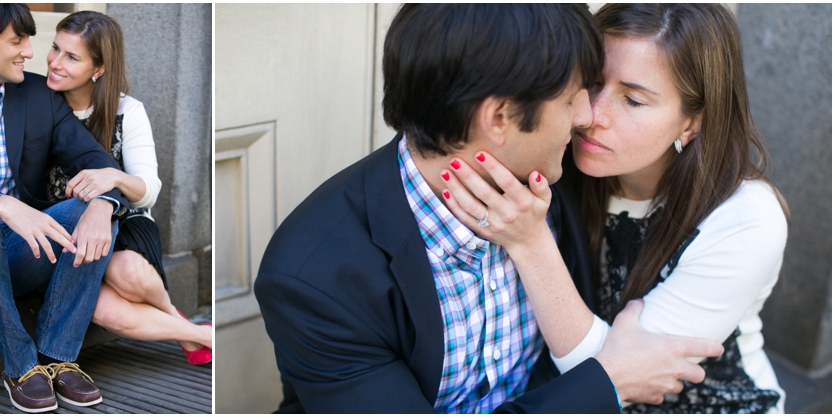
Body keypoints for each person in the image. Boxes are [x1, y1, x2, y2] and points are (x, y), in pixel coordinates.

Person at [254, 4, 723, 413]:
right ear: (499, 119)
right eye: (572, 97)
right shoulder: (312, 276)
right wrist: (608, 380)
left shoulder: (560, 170)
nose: (587, 117)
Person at [442, 3, 788, 413]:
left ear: (691, 122)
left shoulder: (746, 220)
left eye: (634, 100)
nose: (592, 115)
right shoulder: (559, 162)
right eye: (590, 83)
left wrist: (529, 241)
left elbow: (619, 378)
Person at [0, 4, 129, 413]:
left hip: (19, 254)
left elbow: (96, 161)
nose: (29, 49)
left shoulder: (39, 96)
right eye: (17, 40)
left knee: (95, 217)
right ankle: (21, 366)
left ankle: (57, 356)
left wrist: (102, 204)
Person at [42, 11, 212, 365]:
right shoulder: (37, 104)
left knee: (128, 271)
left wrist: (115, 178)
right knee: (104, 310)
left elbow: (149, 189)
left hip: (125, 223)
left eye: (71, 57)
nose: (55, 63)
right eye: (55, 49)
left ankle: (173, 316)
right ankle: (196, 332)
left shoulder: (126, 111)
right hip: (63, 230)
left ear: (99, 68)